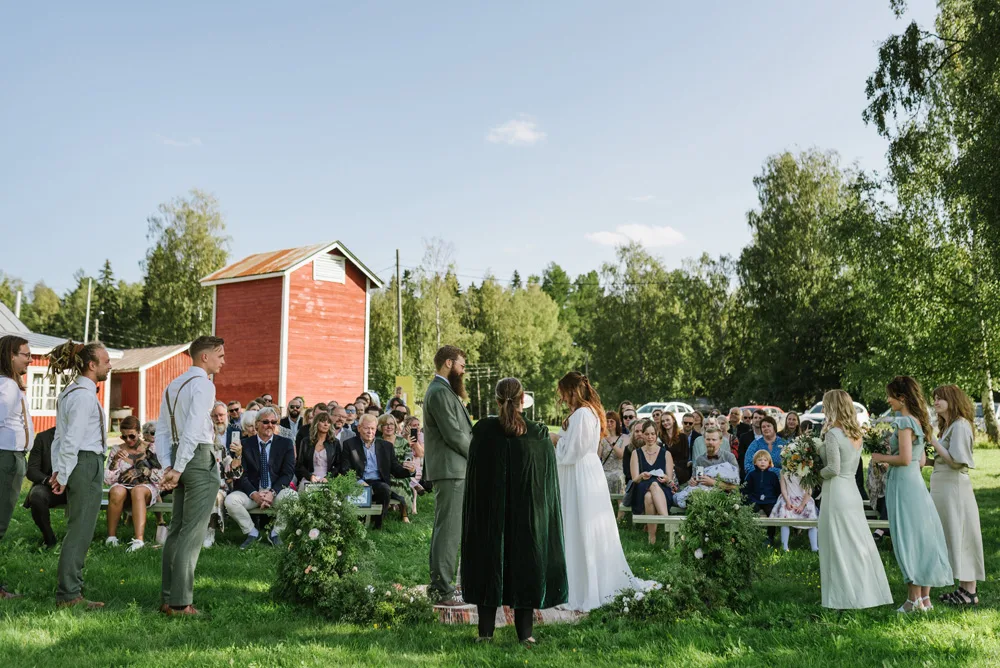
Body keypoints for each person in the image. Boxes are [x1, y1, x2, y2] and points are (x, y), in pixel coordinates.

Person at [462, 377, 567, 645]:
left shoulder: (483, 431)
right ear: (523, 400)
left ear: (497, 401)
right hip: (528, 517)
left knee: (489, 561)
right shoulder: (539, 434)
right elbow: (546, 486)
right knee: (526, 561)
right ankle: (525, 635)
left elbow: (474, 481)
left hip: (489, 516)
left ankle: (485, 634)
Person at [553, 372, 655, 610]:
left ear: (572, 391)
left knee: (583, 523)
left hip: (580, 471)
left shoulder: (581, 415)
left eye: (564, 393)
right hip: (586, 471)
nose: (563, 399)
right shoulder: (588, 413)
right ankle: (583, 577)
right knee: (581, 523)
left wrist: (556, 440)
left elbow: (574, 450)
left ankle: (586, 585)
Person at [870, 376, 953, 613]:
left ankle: (912, 600)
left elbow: (906, 459)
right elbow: (919, 460)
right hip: (913, 481)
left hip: (904, 485)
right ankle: (923, 599)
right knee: (922, 536)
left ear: (902, 397)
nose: (888, 399)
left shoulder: (904, 421)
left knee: (908, 537)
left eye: (890, 395)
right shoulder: (918, 421)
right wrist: (892, 461)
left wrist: (881, 458)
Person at [156, 336, 225, 616]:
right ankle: (181, 602)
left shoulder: (173, 385)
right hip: (196, 459)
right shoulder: (204, 385)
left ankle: (167, 597)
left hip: (178, 458)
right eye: (220, 355)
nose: (223, 361)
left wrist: (168, 466)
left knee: (175, 529)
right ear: (204, 357)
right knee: (192, 533)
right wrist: (180, 466)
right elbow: (195, 428)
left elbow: (162, 431)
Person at [50, 340, 112, 610]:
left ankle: (71, 588)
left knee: (80, 528)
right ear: (92, 365)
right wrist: (61, 476)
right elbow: (71, 440)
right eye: (106, 361)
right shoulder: (83, 396)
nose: (110, 365)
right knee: (81, 530)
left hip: (82, 462)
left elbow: (58, 439)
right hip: (85, 463)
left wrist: (58, 470)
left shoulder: (71, 392)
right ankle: (69, 595)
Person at [818, 390, 892, 610]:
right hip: (851, 490)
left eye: (825, 405)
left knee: (837, 543)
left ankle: (842, 596)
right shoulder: (857, 433)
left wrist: (814, 473)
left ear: (833, 406)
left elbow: (833, 468)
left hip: (836, 491)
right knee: (857, 543)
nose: (823, 410)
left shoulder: (833, 434)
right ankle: (865, 591)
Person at [422, 345, 473, 605]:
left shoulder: (444, 391)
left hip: (454, 469)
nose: (463, 371)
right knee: (449, 532)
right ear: (448, 363)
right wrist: (478, 455)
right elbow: (454, 434)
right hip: (452, 470)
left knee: (448, 529)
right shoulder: (440, 393)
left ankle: (442, 586)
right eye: (461, 366)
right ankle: (443, 590)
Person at [928, 385, 985, 606]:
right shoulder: (950, 426)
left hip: (954, 489)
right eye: (934, 398)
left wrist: (932, 440)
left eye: (940, 398)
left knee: (962, 533)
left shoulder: (961, 425)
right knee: (954, 533)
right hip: (945, 488)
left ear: (952, 399)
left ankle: (970, 592)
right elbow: (945, 458)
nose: (936, 402)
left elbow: (957, 461)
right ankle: (963, 589)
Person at [226, 407, 297, 549]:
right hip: (252, 492)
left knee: (293, 498)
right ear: (257, 423)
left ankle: (276, 533)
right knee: (230, 501)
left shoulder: (285, 443)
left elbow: (287, 473)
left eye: (273, 422)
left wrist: (272, 492)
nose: (270, 425)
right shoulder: (244, 444)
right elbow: (240, 475)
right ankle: (252, 532)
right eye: (265, 422)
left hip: (275, 492)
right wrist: (254, 494)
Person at [0, 335, 33, 598]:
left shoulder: (9, 385)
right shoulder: (8, 387)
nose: (30, 359)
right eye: (25, 354)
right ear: (11, 355)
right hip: (7, 458)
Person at [340, 414, 415, 528]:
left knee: (384, 489)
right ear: (359, 428)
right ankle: (358, 523)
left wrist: (410, 471)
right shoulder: (349, 444)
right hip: (359, 481)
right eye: (366, 428)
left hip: (378, 482)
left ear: (376, 429)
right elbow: (345, 468)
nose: (370, 431)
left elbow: (395, 469)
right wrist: (358, 482)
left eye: (372, 428)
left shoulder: (386, 446)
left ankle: (377, 525)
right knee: (359, 492)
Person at [104, 415, 162, 552]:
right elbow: (107, 480)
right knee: (116, 490)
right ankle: (111, 538)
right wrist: (114, 462)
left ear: (139, 433)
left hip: (146, 487)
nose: (128, 440)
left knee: (138, 491)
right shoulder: (117, 450)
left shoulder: (151, 448)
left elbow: (160, 476)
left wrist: (142, 471)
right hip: (123, 487)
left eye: (132, 436)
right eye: (124, 437)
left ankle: (138, 540)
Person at [629, 418, 676, 545]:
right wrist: (642, 475)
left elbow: (669, 480)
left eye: (653, 434)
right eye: (647, 434)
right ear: (643, 435)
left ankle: (652, 538)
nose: (650, 437)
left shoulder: (666, 454)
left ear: (657, 435)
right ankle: (667, 521)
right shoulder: (636, 453)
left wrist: (666, 478)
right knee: (651, 486)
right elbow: (634, 479)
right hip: (641, 487)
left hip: (662, 490)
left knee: (650, 496)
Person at [673, 427, 739, 509]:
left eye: (714, 440)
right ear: (704, 440)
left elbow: (735, 486)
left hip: (724, 499)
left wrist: (713, 482)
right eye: (708, 439)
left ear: (720, 441)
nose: (710, 442)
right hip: (702, 498)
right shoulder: (700, 460)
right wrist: (693, 482)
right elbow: (696, 480)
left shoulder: (729, 458)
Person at [24, 427, 64, 548]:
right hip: (50, 484)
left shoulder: (84, 437)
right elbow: (31, 470)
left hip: (76, 485)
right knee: (37, 495)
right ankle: (49, 539)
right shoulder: (43, 437)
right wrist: (49, 481)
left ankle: (79, 538)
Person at [770, 468, 818, 553]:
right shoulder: (783, 471)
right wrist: (787, 501)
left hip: (804, 500)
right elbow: (784, 489)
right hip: (789, 499)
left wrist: (802, 505)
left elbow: (809, 491)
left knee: (811, 521)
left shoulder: (806, 470)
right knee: (785, 518)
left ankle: (814, 547)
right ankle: (784, 547)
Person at [377, 413, 412, 523]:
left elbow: (409, 457)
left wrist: (407, 464)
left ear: (396, 426)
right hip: (382, 474)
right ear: (380, 427)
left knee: (401, 483)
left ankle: (404, 514)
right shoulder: (376, 441)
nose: (389, 427)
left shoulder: (403, 441)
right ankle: (384, 511)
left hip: (400, 473)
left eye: (391, 424)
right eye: (385, 424)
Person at [743, 450, 781, 544]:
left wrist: (776, 500)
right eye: (760, 460)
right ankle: (751, 535)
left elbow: (777, 489)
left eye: (765, 460)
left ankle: (770, 536)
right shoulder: (751, 474)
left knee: (772, 514)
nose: (762, 462)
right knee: (751, 512)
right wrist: (749, 499)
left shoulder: (772, 475)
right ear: (755, 462)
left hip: (769, 500)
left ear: (769, 462)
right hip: (754, 499)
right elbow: (746, 488)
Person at [295, 412, 342, 484]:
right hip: (309, 479)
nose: (326, 424)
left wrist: (328, 477)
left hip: (329, 479)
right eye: (323, 421)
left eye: (328, 422)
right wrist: (310, 476)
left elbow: (338, 465)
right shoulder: (306, 442)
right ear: (316, 423)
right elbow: (299, 465)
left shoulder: (335, 443)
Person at [598, 411, 626, 494]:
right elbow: (598, 457)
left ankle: (619, 505)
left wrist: (612, 443)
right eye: (607, 421)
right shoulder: (603, 439)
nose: (609, 423)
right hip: (604, 471)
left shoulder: (623, 438)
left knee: (617, 478)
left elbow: (621, 455)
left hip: (618, 471)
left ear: (617, 423)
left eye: (612, 421)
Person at [738, 409, 766, 477]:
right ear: (752, 420)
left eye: (760, 418)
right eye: (755, 417)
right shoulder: (744, 437)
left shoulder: (768, 437)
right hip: (748, 473)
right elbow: (741, 457)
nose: (757, 420)